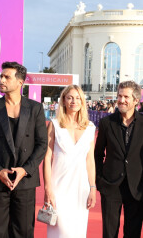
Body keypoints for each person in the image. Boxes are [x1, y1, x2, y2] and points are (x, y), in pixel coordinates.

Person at [0, 61, 48, 238]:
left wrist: (25, 170)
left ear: (20, 82)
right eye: (1, 76)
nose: (1, 80)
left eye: (6, 77)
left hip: (25, 181)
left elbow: (42, 144)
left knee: (23, 232)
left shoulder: (35, 109)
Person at [43, 85, 96, 238]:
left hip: (81, 188)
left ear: (82, 101)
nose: (74, 101)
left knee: (78, 232)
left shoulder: (90, 127)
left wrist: (92, 187)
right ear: (63, 101)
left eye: (78, 98)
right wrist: (48, 188)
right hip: (58, 187)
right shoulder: (54, 124)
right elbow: (47, 158)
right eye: (70, 97)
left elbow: (90, 160)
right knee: (60, 231)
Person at [95, 81, 143, 238]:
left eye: (126, 97)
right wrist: (100, 180)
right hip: (110, 187)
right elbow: (98, 154)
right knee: (109, 233)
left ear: (136, 100)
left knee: (133, 233)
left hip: (137, 188)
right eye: (119, 96)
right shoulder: (106, 123)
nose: (121, 100)